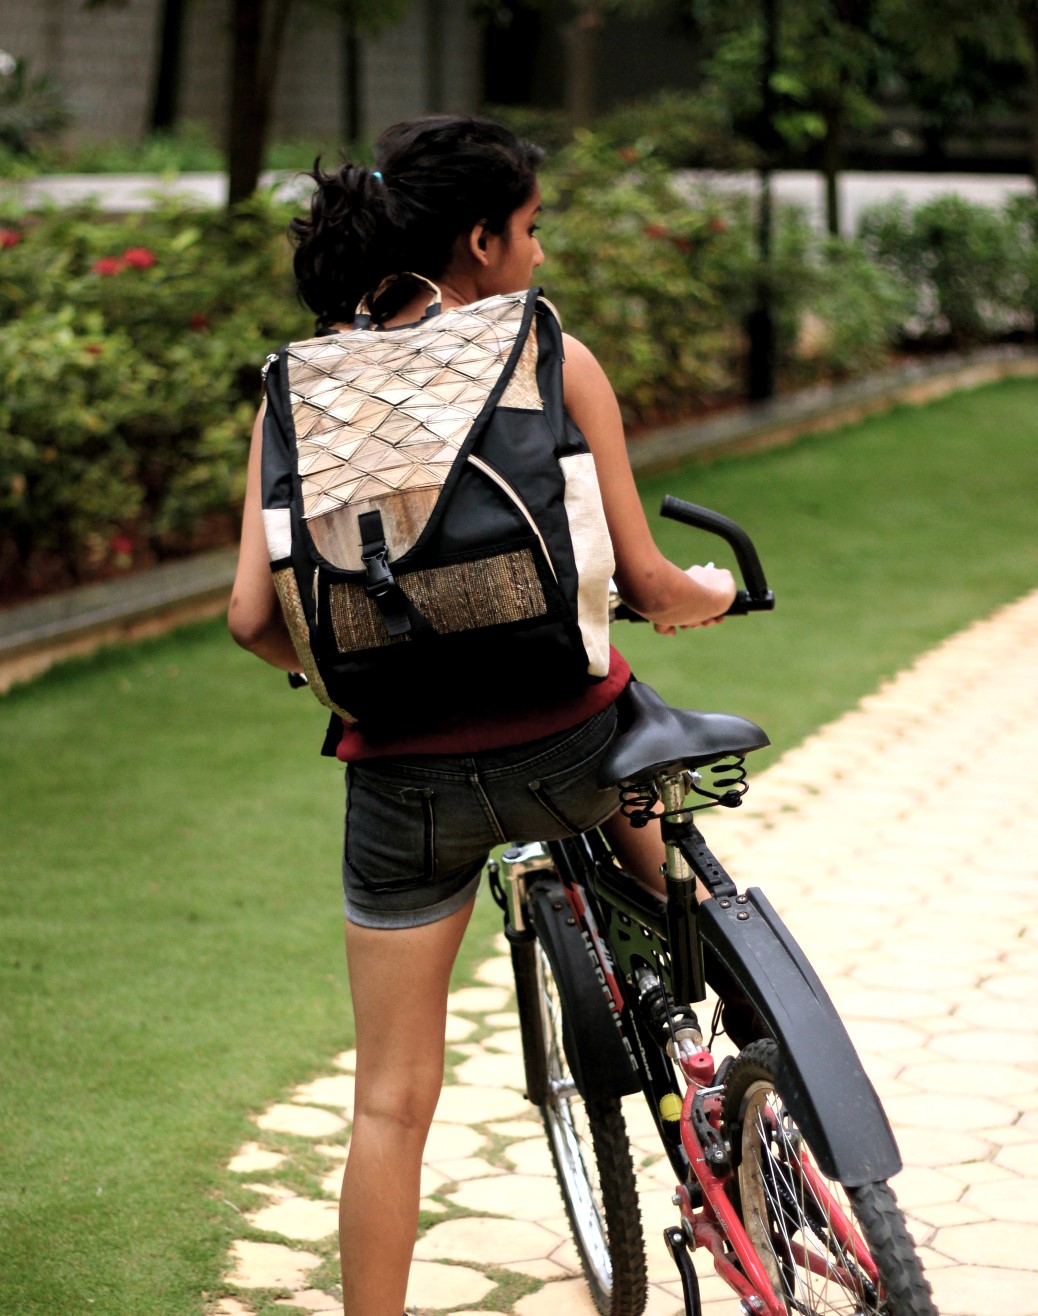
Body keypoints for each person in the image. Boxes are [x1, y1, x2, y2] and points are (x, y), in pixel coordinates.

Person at [228, 114, 736, 1316]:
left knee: (390, 1102)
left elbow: (254, 616)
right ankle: (714, 1009)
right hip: (572, 744)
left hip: (402, 782)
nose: (538, 252)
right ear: (481, 239)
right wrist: (704, 595)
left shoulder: (296, 387)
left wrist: (344, 667)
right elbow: (649, 583)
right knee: (626, 739)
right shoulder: (553, 356)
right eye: (531, 227)